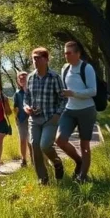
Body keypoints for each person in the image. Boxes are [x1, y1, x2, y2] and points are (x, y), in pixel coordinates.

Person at [23, 47, 81, 184]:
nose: (35, 61)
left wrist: (57, 114)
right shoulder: (30, 78)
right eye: (33, 58)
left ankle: (57, 163)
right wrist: (26, 107)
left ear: (46, 59)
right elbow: (26, 97)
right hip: (34, 119)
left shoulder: (54, 77)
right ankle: (43, 179)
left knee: (45, 145)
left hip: (50, 118)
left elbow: (63, 98)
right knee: (35, 145)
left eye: (38, 58)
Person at [56, 41, 98, 183]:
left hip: (86, 110)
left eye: (69, 53)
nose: (66, 55)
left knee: (84, 145)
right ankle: (79, 162)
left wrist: (73, 93)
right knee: (60, 139)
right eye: (65, 53)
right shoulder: (65, 68)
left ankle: (83, 177)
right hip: (69, 110)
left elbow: (93, 91)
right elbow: (64, 89)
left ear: (78, 53)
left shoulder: (87, 68)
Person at [12, 71, 30, 169]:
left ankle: (34, 159)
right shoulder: (17, 93)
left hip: (32, 119)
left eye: (24, 77)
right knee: (23, 139)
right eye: (20, 78)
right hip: (21, 120)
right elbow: (15, 108)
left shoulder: (32, 91)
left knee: (32, 141)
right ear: (18, 81)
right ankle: (23, 159)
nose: (22, 79)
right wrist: (16, 119)